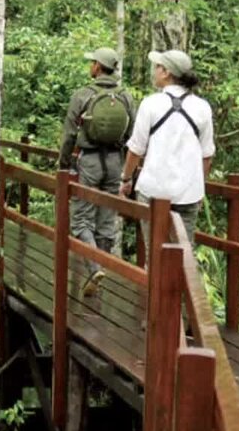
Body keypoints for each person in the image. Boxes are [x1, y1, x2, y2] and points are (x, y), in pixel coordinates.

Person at [59, 47, 136, 297]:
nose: (90, 65)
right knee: (106, 218)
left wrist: (63, 165)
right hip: (115, 162)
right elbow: (131, 135)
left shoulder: (83, 95)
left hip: (89, 161)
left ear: (98, 66)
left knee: (81, 219)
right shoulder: (126, 97)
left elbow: (70, 135)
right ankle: (101, 269)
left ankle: (94, 269)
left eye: (92, 62)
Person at [118, 50, 215, 249]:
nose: (154, 71)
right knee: (184, 253)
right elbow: (207, 156)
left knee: (154, 252)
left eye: (157, 67)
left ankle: (153, 278)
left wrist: (126, 179)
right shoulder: (202, 107)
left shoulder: (150, 104)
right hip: (187, 194)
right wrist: (199, 186)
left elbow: (136, 149)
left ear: (166, 72)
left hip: (153, 190)